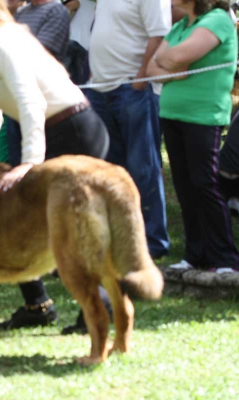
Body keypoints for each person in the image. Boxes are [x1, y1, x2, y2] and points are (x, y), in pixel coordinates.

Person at [0, 0, 109, 330]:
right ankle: (38, 305)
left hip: (74, 129)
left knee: (73, 228)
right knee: (20, 219)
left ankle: (99, 309)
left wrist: (30, 164)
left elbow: (31, 101)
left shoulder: (1, 38)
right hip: (52, 130)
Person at [147, 0, 239, 274]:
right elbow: (152, 68)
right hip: (173, 114)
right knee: (185, 187)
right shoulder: (179, 25)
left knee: (204, 184)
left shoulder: (218, 19)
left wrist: (170, 65)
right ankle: (195, 254)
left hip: (203, 116)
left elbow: (171, 58)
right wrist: (174, 68)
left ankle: (225, 257)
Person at [84, 0, 171, 260]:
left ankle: (153, 242)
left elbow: (159, 35)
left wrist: (140, 77)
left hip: (133, 90)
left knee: (143, 167)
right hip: (101, 90)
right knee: (113, 172)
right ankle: (123, 238)